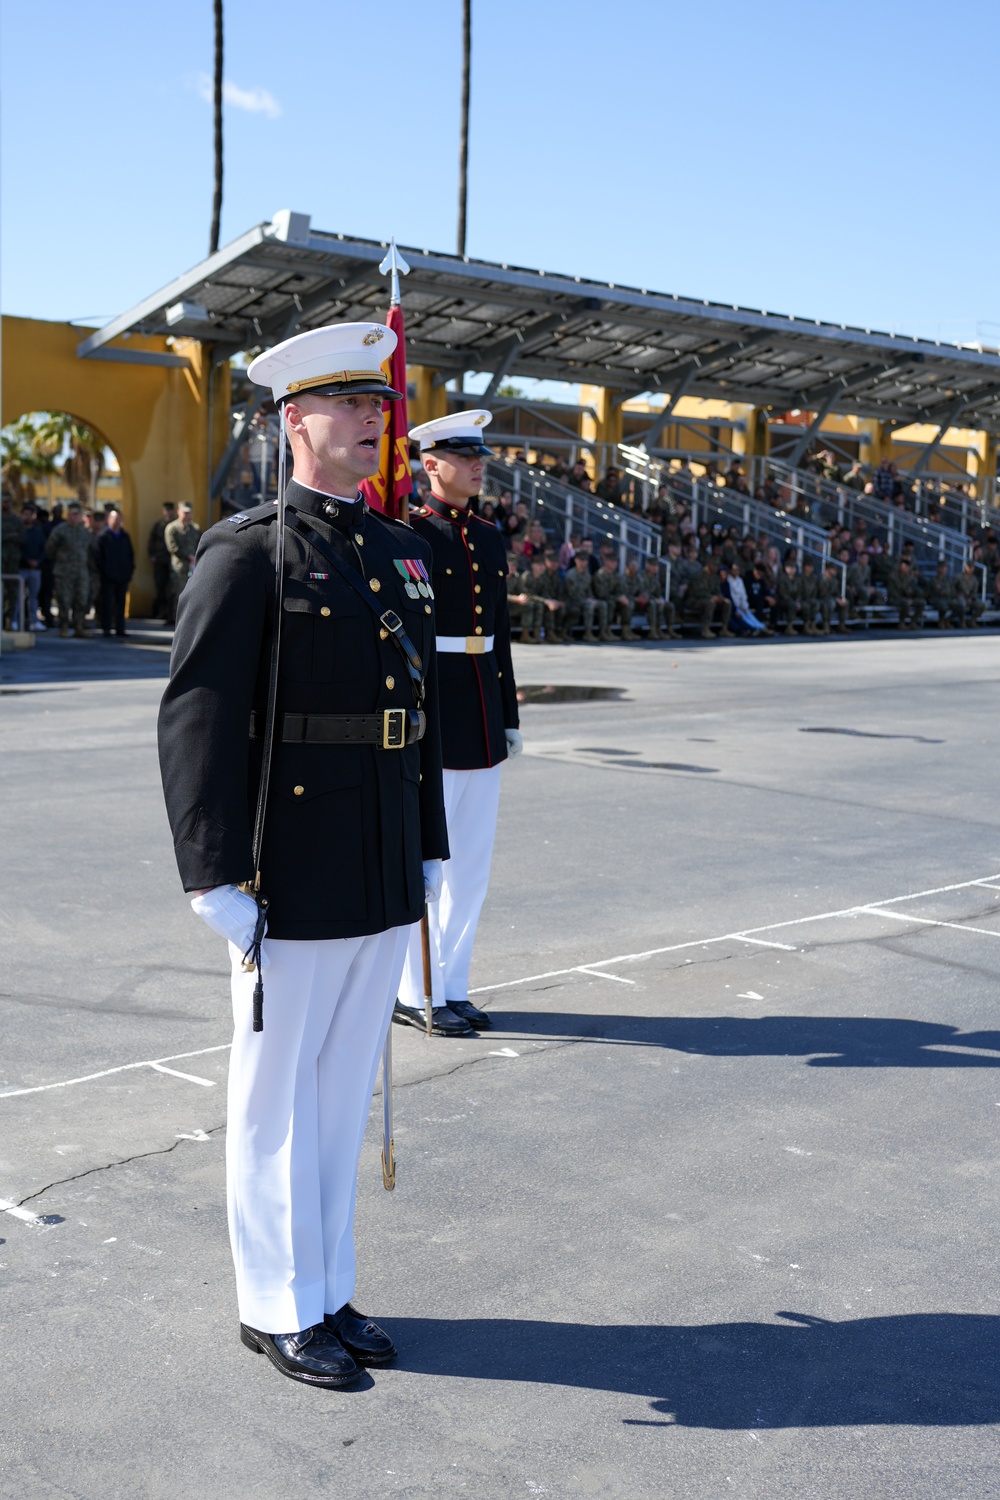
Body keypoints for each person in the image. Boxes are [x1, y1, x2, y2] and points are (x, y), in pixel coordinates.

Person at [157, 321, 449, 1389]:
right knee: (278, 1096)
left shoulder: (391, 550)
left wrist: (425, 847)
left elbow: (412, 710)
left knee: (339, 1094)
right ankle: (274, 1303)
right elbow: (196, 718)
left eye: (377, 406)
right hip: (286, 866)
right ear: (294, 421)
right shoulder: (247, 551)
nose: (374, 421)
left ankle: (325, 1285)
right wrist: (212, 879)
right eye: (350, 406)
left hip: (374, 859)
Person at [395, 408, 520, 1036]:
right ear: (430, 464)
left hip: (481, 712)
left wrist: (510, 716)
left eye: (481, 457)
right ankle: (416, 992)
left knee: (471, 864)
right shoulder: (411, 534)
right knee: (430, 864)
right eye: (464, 456)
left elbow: (499, 635)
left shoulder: (491, 536)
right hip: (435, 711)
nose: (478, 466)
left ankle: (454, 984)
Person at [45, 500, 92, 638]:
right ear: (68, 514)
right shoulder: (60, 530)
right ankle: (64, 627)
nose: (75, 517)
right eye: (73, 514)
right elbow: (49, 550)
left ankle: (79, 627)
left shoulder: (84, 532)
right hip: (64, 572)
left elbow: (88, 550)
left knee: (81, 600)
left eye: (78, 514)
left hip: (81, 572)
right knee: (64, 601)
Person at [96, 508, 135, 637]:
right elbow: (98, 557)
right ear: (108, 520)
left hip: (122, 577)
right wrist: (104, 572)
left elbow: (130, 556)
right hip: (108, 577)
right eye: (114, 518)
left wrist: (129, 572)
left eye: (118, 518)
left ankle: (120, 628)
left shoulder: (125, 536)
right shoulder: (103, 536)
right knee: (107, 603)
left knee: (121, 604)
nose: (116, 521)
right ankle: (106, 628)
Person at [164, 502, 202, 622]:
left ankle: (189, 621)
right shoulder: (172, 528)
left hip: (193, 567)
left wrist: (196, 557)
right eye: (184, 512)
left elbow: (201, 544)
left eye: (189, 512)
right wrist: (188, 556)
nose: (187, 515)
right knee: (178, 594)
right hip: (179, 567)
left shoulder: (195, 529)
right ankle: (177, 620)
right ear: (178, 512)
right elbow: (172, 547)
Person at [631, 557, 679, 640]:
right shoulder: (641, 577)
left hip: (653, 600)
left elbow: (658, 593)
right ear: (647, 566)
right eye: (653, 566)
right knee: (654, 604)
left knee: (669, 605)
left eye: (656, 566)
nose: (655, 568)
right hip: (641, 602)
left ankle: (668, 629)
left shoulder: (656, 579)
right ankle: (653, 631)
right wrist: (655, 599)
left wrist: (661, 600)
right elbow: (643, 593)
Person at [563, 550, 604, 641]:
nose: (583, 563)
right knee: (589, 605)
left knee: (603, 604)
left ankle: (603, 632)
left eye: (585, 560)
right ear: (576, 561)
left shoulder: (587, 574)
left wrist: (592, 599)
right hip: (570, 601)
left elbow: (589, 591)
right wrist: (588, 600)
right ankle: (587, 633)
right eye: (581, 560)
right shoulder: (571, 575)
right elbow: (572, 594)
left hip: (583, 600)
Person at [592, 553, 635, 640]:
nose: (614, 564)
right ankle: (605, 631)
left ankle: (626, 630)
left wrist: (622, 597)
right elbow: (601, 594)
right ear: (605, 562)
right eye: (611, 562)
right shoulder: (600, 575)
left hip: (612, 599)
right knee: (610, 603)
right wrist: (617, 598)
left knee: (628, 602)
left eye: (615, 562)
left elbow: (620, 590)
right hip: (601, 599)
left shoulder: (616, 576)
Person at [18, 503, 47, 630]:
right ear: (22, 515)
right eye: (26, 514)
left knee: (33, 597)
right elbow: (16, 549)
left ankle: (34, 621)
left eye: (30, 515)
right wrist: (26, 560)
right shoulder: (18, 531)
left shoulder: (38, 532)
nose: (28, 517)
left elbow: (44, 549)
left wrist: (37, 561)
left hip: (35, 569)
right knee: (18, 596)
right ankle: (15, 621)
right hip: (21, 568)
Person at [148, 502, 177, 619]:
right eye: (166, 510)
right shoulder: (159, 525)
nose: (168, 513)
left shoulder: (176, 526)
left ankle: (171, 613)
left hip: (172, 561)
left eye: (170, 510)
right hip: (160, 560)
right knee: (160, 586)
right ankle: (162, 611)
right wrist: (152, 555)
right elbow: (151, 542)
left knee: (172, 587)